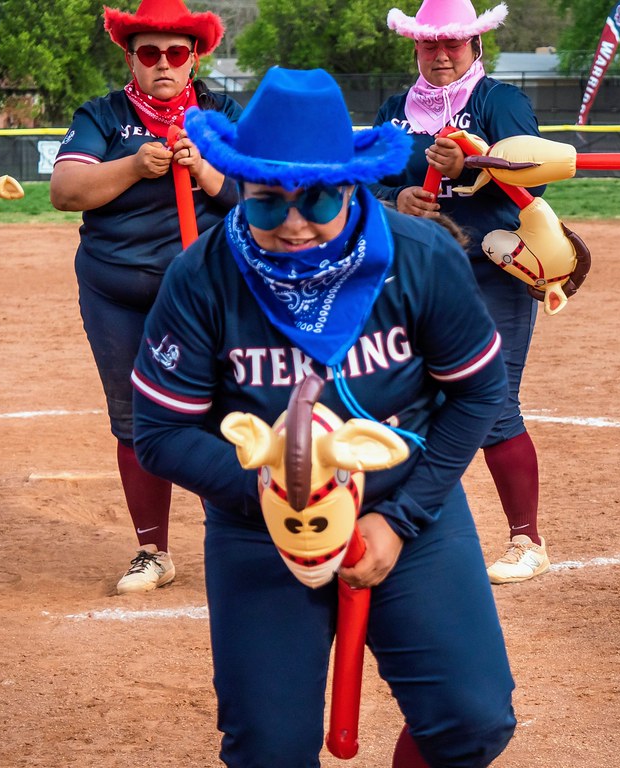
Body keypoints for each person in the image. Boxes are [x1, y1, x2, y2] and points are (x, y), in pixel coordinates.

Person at [130, 67, 516, 767]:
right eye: (267, 204)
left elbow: (479, 394)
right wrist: (279, 494)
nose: (294, 224)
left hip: (403, 506)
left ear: (353, 186)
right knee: (268, 750)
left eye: (317, 200)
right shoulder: (203, 275)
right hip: (260, 523)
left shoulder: (421, 257)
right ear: (240, 188)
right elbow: (159, 433)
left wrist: (397, 520)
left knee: (472, 719)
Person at [49, 0, 242, 594]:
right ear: (131, 57)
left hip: (206, 295)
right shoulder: (102, 115)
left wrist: (208, 172)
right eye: (150, 53)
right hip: (116, 292)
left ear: (194, 59)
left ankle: (232, 542)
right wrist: (133, 166)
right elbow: (64, 189)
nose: (163, 64)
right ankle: (152, 551)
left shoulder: (221, 113)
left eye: (176, 53)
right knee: (134, 421)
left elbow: (265, 195)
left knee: (224, 413)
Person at [373, 0, 549, 584]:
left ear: (476, 45)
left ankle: (526, 541)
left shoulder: (500, 101)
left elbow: (538, 172)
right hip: (413, 273)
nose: (441, 54)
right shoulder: (396, 110)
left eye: (452, 43)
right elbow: (367, 182)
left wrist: (473, 159)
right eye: (430, 44)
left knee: (495, 404)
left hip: (491, 271)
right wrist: (397, 200)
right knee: (401, 396)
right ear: (415, 47)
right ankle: (400, 525)